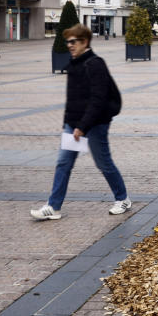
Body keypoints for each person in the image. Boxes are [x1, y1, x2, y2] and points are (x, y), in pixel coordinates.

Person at [31, 24, 131, 220]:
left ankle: (123, 198)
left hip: (95, 124)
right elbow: (73, 99)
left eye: (73, 41)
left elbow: (98, 99)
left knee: (103, 162)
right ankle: (53, 207)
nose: (69, 45)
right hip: (75, 124)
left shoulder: (95, 64)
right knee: (63, 163)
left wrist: (82, 127)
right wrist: (69, 124)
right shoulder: (74, 63)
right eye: (67, 41)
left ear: (85, 42)